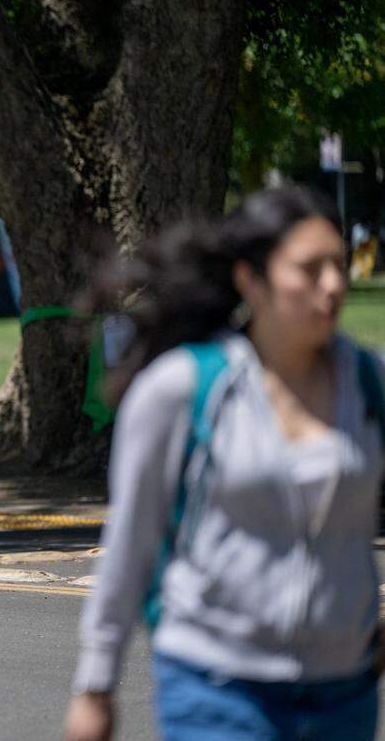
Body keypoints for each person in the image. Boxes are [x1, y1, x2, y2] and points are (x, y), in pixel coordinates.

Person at [64, 186, 385, 740]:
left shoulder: (368, 384)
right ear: (250, 280)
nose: (333, 286)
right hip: (217, 690)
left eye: (338, 266)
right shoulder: (184, 390)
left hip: (345, 695)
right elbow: (132, 542)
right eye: (309, 269)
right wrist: (96, 685)